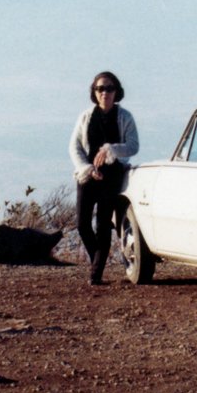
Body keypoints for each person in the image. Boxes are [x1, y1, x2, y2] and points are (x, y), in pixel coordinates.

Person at [68, 71, 139, 285]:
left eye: (109, 88)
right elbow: (75, 146)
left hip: (112, 176)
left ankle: (95, 275)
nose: (105, 93)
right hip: (88, 175)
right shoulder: (86, 117)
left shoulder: (124, 117)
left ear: (116, 91)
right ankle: (96, 262)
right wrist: (87, 168)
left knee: (102, 224)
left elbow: (133, 146)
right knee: (82, 223)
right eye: (100, 89)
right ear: (94, 92)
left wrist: (110, 149)